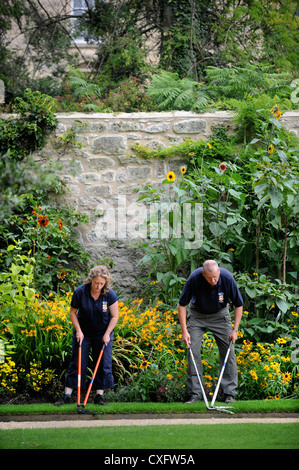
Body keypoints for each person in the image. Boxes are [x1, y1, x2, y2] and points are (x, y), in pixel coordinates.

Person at [178, 260, 243, 404]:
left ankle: (229, 393)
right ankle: (195, 394)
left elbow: (238, 304)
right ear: (203, 274)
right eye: (209, 278)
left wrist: (235, 330)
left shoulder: (226, 278)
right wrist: (184, 331)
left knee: (228, 351)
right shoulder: (194, 279)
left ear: (219, 271)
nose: (213, 281)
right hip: (197, 315)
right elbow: (182, 305)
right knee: (192, 351)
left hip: (220, 315)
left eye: (215, 277)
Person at [55, 265, 118, 406]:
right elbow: (73, 312)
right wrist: (78, 330)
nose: (98, 286)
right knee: (77, 363)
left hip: (102, 334)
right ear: (91, 280)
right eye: (96, 283)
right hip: (83, 333)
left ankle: (99, 396)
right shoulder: (80, 292)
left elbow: (114, 317)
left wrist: (107, 334)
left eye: (101, 284)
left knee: (102, 364)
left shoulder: (109, 294)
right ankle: (67, 395)